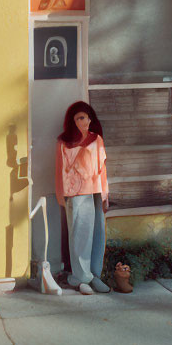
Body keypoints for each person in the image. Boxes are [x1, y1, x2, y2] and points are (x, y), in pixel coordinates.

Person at [55, 101, 111, 295]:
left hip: (95, 192)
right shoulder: (64, 142)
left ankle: (95, 275)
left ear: (90, 119)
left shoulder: (97, 140)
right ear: (73, 121)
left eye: (86, 117)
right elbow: (59, 169)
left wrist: (105, 193)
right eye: (79, 118)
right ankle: (80, 277)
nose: (84, 121)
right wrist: (60, 194)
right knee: (80, 235)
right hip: (75, 194)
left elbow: (102, 168)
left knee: (97, 234)